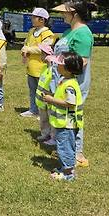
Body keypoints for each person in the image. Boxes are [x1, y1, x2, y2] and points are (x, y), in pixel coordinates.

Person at [50, 0, 96, 168]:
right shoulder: (68, 32)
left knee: (73, 116)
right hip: (61, 81)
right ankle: (66, 148)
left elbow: (81, 61)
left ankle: (77, 153)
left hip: (74, 83)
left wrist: (61, 66)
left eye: (65, 12)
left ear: (74, 14)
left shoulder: (83, 33)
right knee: (63, 115)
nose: (62, 14)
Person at [43, 52, 85, 181]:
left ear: (67, 68)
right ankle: (65, 167)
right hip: (62, 122)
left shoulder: (70, 85)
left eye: (59, 64)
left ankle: (68, 173)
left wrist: (51, 100)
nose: (56, 65)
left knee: (64, 147)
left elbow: (70, 103)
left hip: (67, 124)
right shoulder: (64, 79)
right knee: (64, 145)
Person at [20, 8, 55, 118]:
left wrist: (28, 50)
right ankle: (33, 109)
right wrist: (24, 48)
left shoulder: (48, 33)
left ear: (42, 20)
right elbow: (26, 43)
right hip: (31, 66)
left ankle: (43, 112)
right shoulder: (31, 31)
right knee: (32, 90)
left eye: (34, 17)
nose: (32, 19)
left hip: (42, 67)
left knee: (43, 91)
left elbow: (43, 49)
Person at [34, 43, 56, 146]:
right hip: (41, 101)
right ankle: (45, 133)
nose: (41, 57)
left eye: (42, 54)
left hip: (50, 100)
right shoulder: (44, 68)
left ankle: (53, 137)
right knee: (43, 119)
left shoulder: (53, 70)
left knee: (51, 119)